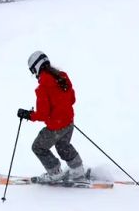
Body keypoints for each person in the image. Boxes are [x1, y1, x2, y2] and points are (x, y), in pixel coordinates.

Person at [17, 51, 85, 181]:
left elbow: (42, 114)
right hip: (69, 123)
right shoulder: (62, 77)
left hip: (56, 127)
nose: (34, 74)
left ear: (36, 67)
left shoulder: (42, 87)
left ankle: (55, 173)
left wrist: (28, 115)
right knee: (63, 146)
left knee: (38, 147)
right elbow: (72, 99)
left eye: (33, 71)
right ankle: (77, 170)